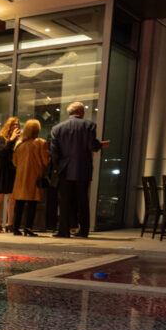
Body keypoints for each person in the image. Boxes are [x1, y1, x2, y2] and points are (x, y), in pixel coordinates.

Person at [49, 101, 108, 238]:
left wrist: (58, 168)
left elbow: (54, 152)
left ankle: (64, 230)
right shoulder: (89, 126)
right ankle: (83, 230)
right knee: (82, 201)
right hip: (82, 168)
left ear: (70, 112)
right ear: (81, 112)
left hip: (65, 169)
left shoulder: (57, 128)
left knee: (64, 201)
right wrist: (99, 145)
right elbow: (91, 146)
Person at [9, 119, 49, 237]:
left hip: (20, 178)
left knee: (19, 204)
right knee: (32, 203)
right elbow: (45, 161)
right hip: (34, 177)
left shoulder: (19, 144)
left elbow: (15, 162)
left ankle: (16, 228)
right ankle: (28, 227)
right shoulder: (41, 143)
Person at [0, 116, 19, 233]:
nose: (16, 127)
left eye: (17, 125)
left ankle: (10, 223)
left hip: (12, 170)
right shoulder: (2, 138)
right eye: (14, 125)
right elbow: (1, 152)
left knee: (12, 198)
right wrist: (11, 139)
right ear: (9, 126)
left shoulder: (18, 139)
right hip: (2, 171)